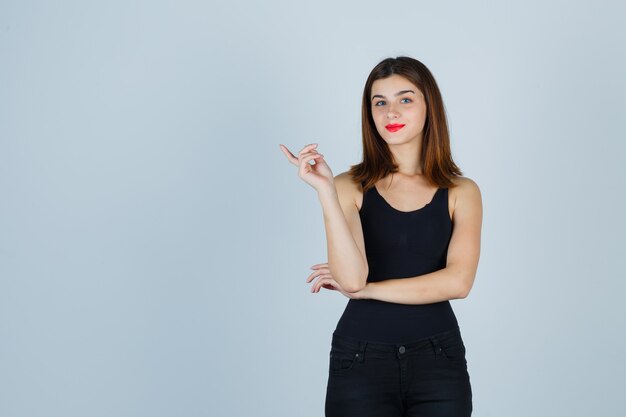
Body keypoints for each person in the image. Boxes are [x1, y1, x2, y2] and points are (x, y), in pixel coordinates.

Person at [279, 56, 482, 417]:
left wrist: (368, 290)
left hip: (439, 360)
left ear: (428, 106)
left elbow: (458, 282)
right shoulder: (347, 186)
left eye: (405, 99)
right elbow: (352, 277)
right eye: (380, 102)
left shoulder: (461, 191)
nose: (391, 113)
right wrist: (325, 192)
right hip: (360, 359)